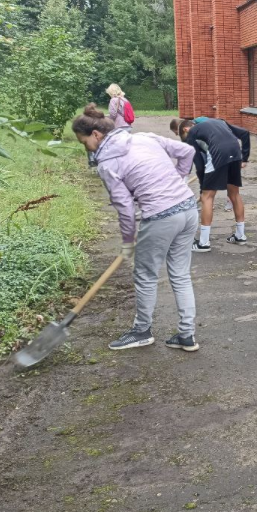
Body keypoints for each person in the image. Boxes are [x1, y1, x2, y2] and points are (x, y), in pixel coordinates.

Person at [72, 104, 200, 352]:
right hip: (187, 207)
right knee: (181, 275)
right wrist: (179, 179)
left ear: (96, 135)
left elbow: (126, 210)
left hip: (161, 216)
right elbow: (187, 151)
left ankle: (142, 330)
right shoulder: (144, 137)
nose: (85, 147)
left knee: (145, 275)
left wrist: (128, 242)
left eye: (83, 141)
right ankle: (186, 335)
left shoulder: (107, 164)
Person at [171, 117, 250, 240]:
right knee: (234, 194)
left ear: (186, 129)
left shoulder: (192, 133)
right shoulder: (220, 122)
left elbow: (199, 165)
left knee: (207, 197)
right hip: (235, 153)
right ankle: (240, 235)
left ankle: (203, 243)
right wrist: (244, 157)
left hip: (218, 154)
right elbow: (245, 133)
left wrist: (203, 188)